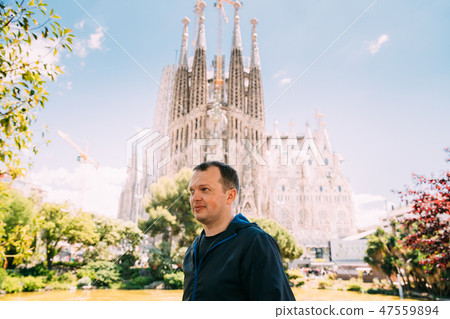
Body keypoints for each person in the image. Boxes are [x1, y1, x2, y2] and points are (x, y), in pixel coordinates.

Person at [182, 161, 295, 301]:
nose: (195, 198)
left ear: (230, 196)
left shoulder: (255, 243)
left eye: (204, 189)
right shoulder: (192, 250)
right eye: (192, 191)